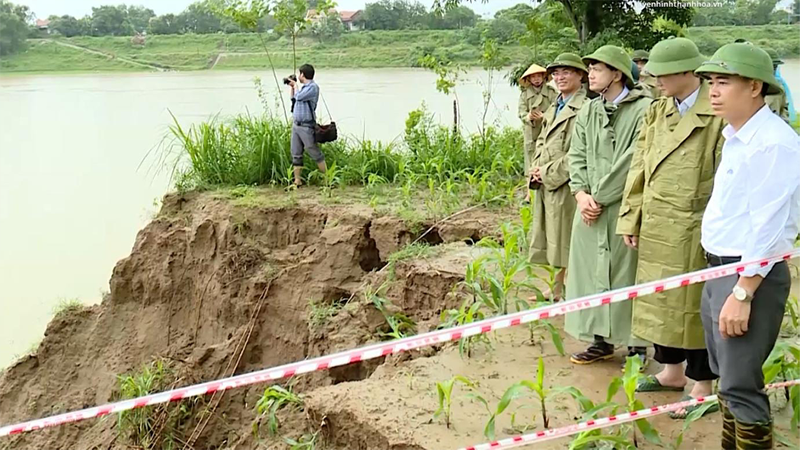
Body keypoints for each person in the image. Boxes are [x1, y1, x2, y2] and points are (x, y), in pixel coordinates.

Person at [695, 42, 800, 449]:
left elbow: (770, 229)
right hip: (720, 268)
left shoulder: (773, 143)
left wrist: (743, 291)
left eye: (724, 82)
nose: (713, 91)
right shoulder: (738, 135)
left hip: (748, 274)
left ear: (755, 87)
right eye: (710, 82)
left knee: (740, 384)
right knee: (727, 377)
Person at [617, 37, 725, 419]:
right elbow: (639, 166)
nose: (653, 79)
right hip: (656, 220)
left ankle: (702, 383)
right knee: (659, 300)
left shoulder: (716, 113)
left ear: (686, 73)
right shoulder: (657, 110)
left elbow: (725, 179)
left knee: (693, 307)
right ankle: (671, 371)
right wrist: (631, 216)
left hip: (695, 223)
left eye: (661, 74)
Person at [564, 45, 652, 368]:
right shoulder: (589, 110)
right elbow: (577, 154)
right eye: (589, 68)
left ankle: (636, 345)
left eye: (597, 68)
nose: (590, 74)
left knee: (628, 274)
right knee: (589, 274)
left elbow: (633, 160)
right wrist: (580, 194)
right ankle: (598, 340)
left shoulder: (644, 110)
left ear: (617, 73)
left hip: (622, 207)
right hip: (588, 208)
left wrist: (599, 197)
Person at [528, 53, 589, 302]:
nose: (560, 77)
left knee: (567, 238)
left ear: (580, 75)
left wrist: (546, 173)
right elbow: (542, 140)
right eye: (556, 73)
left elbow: (579, 153)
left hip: (568, 183)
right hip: (547, 182)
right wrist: (534, 168)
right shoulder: (556, 105)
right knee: (552, 236)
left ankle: (569, 290)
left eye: (566, 72)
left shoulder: (585, 108)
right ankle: (556, 287)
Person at [518, 63, 558, 202]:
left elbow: (557, 109)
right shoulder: (524, 95)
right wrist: (528, 117)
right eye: (533, 77)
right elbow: (521, 112)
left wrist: (544, 116)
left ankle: (547, 188)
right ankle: (529, 194)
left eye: (538, 76)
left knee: (548, 158)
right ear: (529, 79)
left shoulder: (552, 93)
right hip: (531, 132)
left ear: (543, 77)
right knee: (530, 161)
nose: (536, 79)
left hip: (548, 130)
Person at [289, 64, 327, 187]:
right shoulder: (303, 88)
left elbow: (299, 97)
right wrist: (292, 87)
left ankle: (328, 178)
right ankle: (297, 180)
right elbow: (294, 99)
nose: (298, 76)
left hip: (306, 126)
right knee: (296, 153)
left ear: (303, 74)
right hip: (296, 125)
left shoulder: (313, 88)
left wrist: (296, 86)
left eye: (300, 73)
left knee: (314, 152)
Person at [763, 48, 791, 122]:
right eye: (772, 66)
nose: (774, 69)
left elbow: (784, 110)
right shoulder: (748, 88)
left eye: (775, 66)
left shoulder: (779, 88)